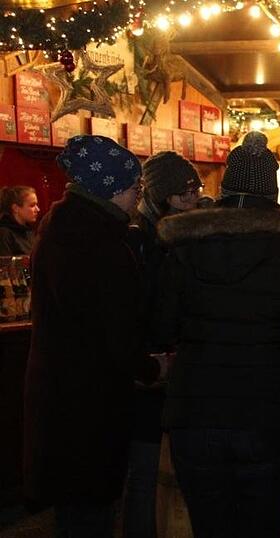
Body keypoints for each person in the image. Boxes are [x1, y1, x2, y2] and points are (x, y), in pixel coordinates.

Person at [152, 132, 280, 537]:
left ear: (226, 187)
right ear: (271, 192)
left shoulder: (184, 246)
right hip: (266, 413)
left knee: (209, 526)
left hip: (195, 414)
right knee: (262, 525)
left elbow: (161, 328)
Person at [23, 135, 163, 537]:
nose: (139, 196)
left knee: (83, 510)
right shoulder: (91, 239)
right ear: (111, 186)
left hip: (71, 399)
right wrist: (149, 366)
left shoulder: (70, 227)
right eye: (135, 187)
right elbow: (109, 326)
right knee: (87, 514)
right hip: (84, 404)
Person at [123, 151, 202, 538]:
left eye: (195, 188)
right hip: (150, 369)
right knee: (146, 470)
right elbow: (139, 310)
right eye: (185, 191)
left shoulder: (183, 234)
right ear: (162, 195)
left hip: (174, 365)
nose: (193, 198)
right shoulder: (142, 240)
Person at [0, 185, 40, 255]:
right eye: (32, 205)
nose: (38, 209)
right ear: (16, 208)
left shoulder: (29, 232)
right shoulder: (4, 234)